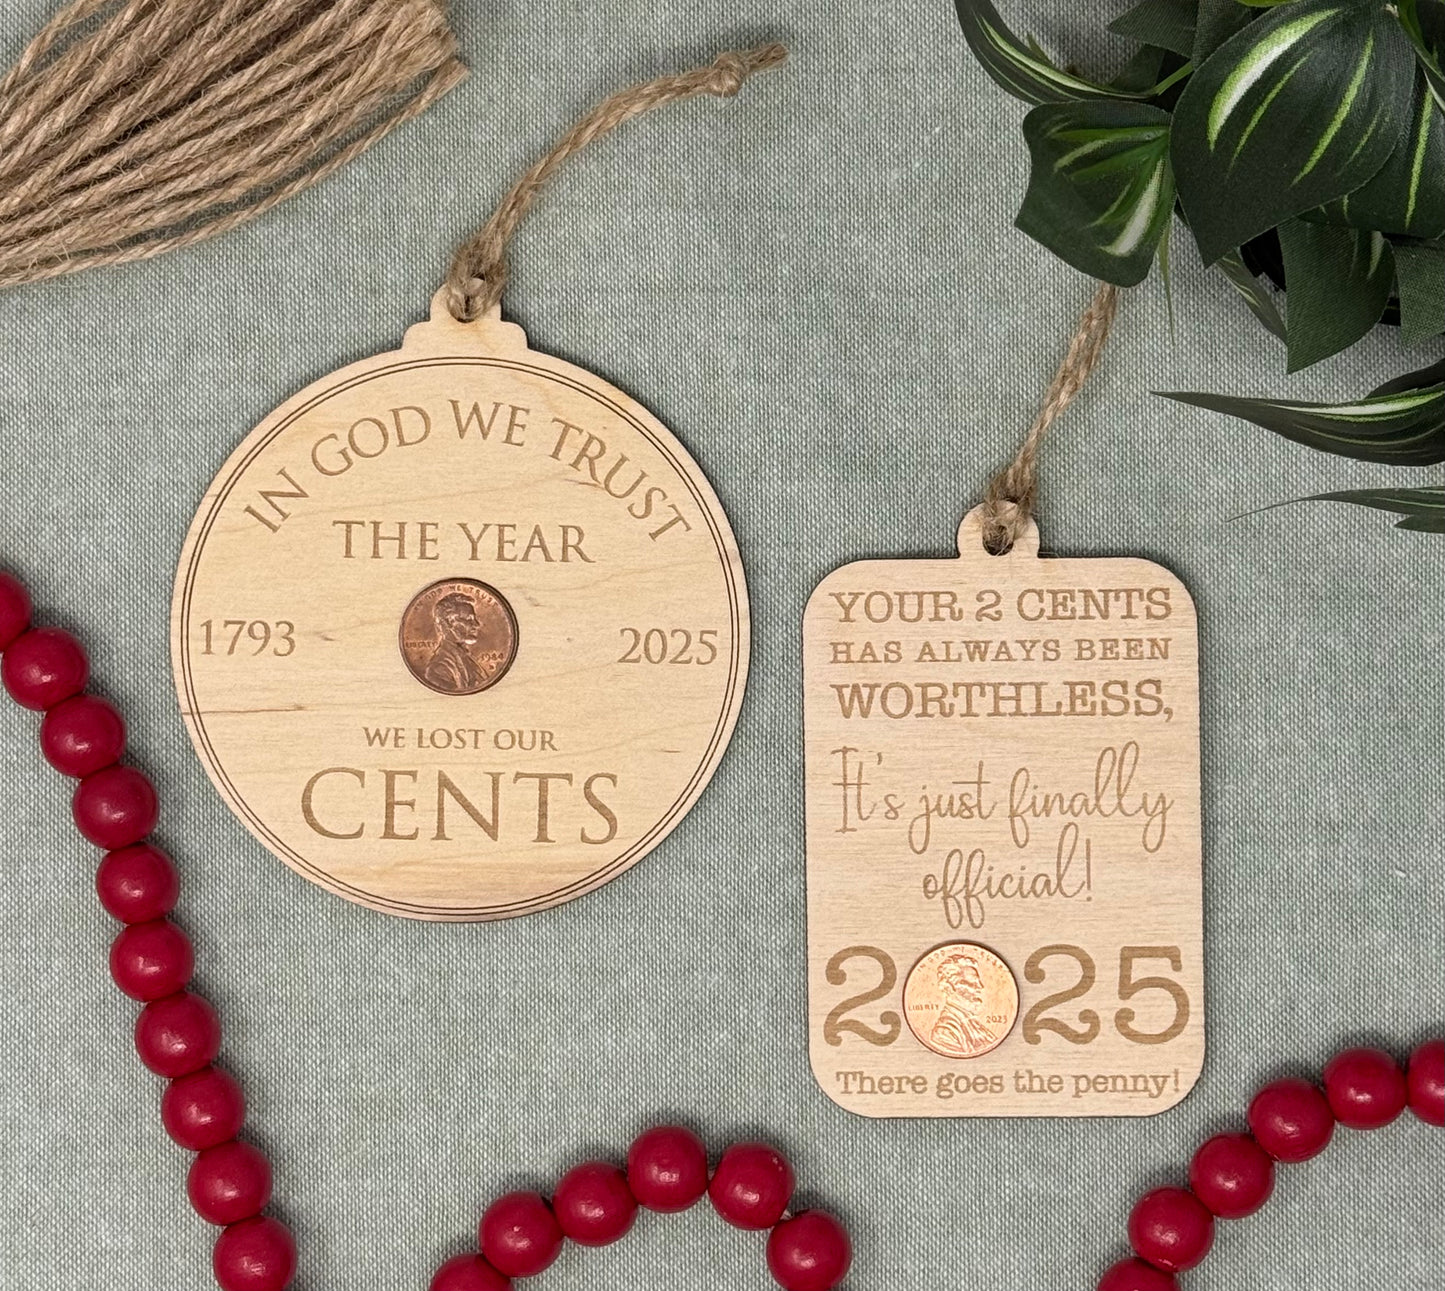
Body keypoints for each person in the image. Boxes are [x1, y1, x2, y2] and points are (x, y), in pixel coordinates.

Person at [931, 950, 995, 1057]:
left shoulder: (974, 1023)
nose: (980, 987)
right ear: (950, 987)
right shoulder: (945, 1032)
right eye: (973, 982)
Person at [423, 593, 486, 693]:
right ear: (449, 623)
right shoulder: (438, 670)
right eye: (469, 619)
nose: (476, 624)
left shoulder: (466, 658)